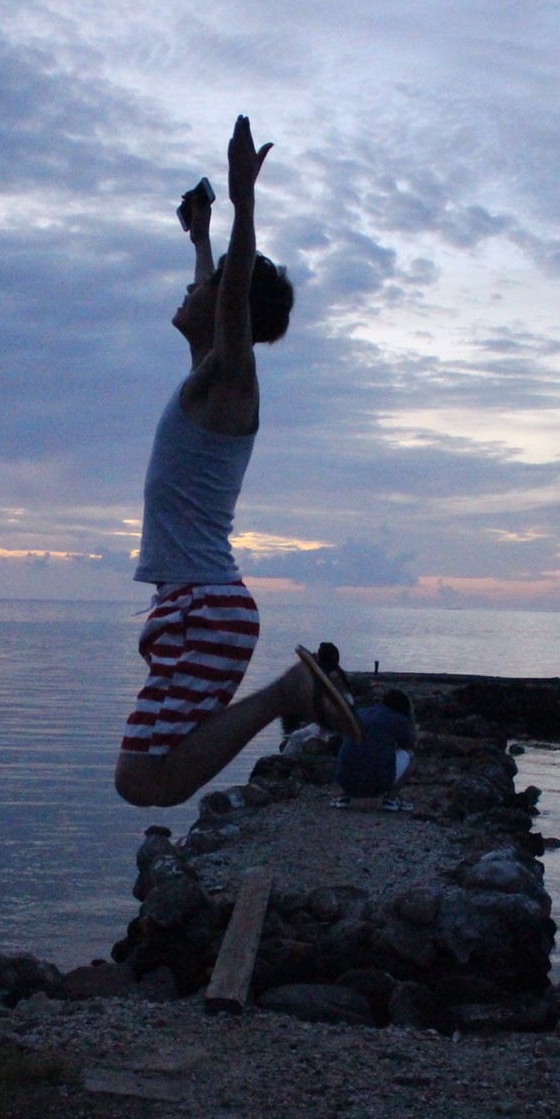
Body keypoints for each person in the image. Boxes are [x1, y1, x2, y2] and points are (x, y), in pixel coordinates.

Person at [114, 116, 361, 809]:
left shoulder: (232, 379)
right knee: (146, 776)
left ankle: (292, 692)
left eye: (204, 289)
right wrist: (201, 238)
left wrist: (244, 204)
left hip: (204, 605)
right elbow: (218, 298)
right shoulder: (207, 386)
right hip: (191, 603)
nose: (187, 294)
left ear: (229, 313)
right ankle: (293, 692)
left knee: (141, 779)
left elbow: (228, 301)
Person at [333, 689, 417, 810]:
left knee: (353, 749)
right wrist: (412, 724)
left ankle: (343, 796)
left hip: (344, 781)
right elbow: (410, 744)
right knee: (410, 755)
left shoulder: (360, 712)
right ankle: (391, 800)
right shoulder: (398, 719)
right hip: (378, 785)